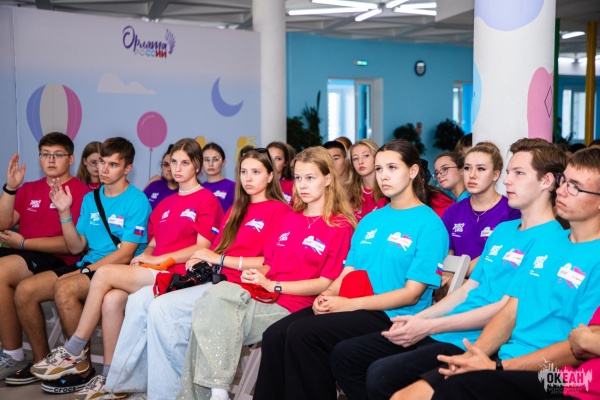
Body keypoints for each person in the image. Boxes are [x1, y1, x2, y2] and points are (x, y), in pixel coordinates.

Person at [329, 138, 567, 400]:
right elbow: (468, 289)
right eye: (509, 172)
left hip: (474, 338)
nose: (507, 181)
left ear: (546, 181)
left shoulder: (553, 241)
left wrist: (429, 325)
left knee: (381, 374)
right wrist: (421, 319)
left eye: (518, 173)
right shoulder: (503, 230)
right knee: (347, 356)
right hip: (447, 329)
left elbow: (507, 310)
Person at [253, 139, 449, 400]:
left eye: (392, 168)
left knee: (303, 334)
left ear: (413, 171)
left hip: (392, 315)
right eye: (379, 169)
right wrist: (328, 295)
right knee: (275, 334)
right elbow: (350, 270)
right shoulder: (371, 220)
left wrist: (347, 304)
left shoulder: (430, 224)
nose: (383, 176)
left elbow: (412, 294)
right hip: (356, 306)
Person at [29, 138, 223, 397]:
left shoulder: (207, 200)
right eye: (173, 162)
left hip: (180, 274)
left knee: (104, 273)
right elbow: (152, 244)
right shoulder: (165, 203)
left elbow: (201, 248)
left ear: (197, 166)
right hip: (155, 270)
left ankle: (75, 348)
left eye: (185, 163)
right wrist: (146, 256)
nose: (177, 168)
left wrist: (159, 260)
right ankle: (112, 379)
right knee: (111, 301)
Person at [99, 146, 290, 400]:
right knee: (139, 300)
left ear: (270, 175)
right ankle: (135, 386)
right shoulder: (236, 210)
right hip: (215, 281)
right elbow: (217, 250)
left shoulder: (280, 211)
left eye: (256, 172)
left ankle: (172, 394)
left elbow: (269, 263)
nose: (248, 178)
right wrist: (201, 258)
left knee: (162, 309)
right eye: (244, 172)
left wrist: (219, 259)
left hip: (240, 289)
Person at [176, 146, 356, 400]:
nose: (302, 185)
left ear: (327, 179)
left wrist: (274, 285)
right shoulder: (291, 218)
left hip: (294, 306)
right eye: (298, 178)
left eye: (310, 178)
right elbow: (270, 264)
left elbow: (325, 282)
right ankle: (213, 393)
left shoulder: (339, 226)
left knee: (210, 312)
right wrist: (257, 276)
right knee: (211, 304)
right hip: (262, 296)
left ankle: (214, 392)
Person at [427, 147, 600, 400]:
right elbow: (510, 311)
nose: (561, 191)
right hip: (509, 356)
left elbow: (578, 349)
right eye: (563, 181)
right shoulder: (548, 242)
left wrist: (497, 368)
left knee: (455, 389)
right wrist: (475, 356)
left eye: (575, 187)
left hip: (564, 378)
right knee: (421, 385)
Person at [10, 137, 151, 392]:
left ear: (127, 168)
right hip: (88, 263)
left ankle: (80, 367)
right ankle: (46, 361)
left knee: (65, 288)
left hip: (119, 270)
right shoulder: (90, 199)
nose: (103, 169)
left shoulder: (137, 200)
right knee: (26, 290)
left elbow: (125, 254)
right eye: (101, 163)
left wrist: (84, 271)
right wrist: (65, 214)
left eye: (113, 165)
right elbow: (76, 247)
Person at [0, 132, 90, 382]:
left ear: (71, 159)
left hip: (59, 259)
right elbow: (3, 223)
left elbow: (72, 246)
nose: (51, 160)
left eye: (58, 155)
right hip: (25, 253)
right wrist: (10, 188)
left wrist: (24, 243)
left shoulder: (82, 193)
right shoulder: (29, 188)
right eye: (45, 154)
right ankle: (16, 354)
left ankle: (30, 358)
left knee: (3, 271)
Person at [441, 142, 520, 278]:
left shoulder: (512, 212)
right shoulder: (452, 212)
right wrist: (449, 280)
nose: (472, 175)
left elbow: (498, 259)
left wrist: (458, 278)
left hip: (493, 284)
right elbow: (447, 254)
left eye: (481, 169)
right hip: (454, 283)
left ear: (495, 175)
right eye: (467, 168)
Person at [347, 139, 386, 221]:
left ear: (376, 157)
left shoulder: (387, 190)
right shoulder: (349, 193)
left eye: (366, 156)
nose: (360, 162)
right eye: (355, 158)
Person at [201, 142, 235, 213]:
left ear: (223, 163)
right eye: (207, 160)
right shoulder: (198, 189)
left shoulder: (233, 187)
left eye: (215, 159)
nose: (210, 164)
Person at [143, 145, 178, 210]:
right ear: (161, 166)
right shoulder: (154, 185)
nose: (169, 169)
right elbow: (138, 206)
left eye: (173, 164)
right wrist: (148, 184)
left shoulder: (185, 191)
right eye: (166, 165)